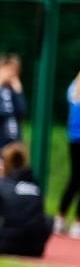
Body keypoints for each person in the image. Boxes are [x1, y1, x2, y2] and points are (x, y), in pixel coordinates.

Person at [0, 142, 50, 257]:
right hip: (35, 248)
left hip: (6, 245)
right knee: (47, 219)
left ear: (3, 165)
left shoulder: (1, 186)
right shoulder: (35, 186)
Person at [0, 53, 26, 162]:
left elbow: (22, 110)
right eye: (9, 70)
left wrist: (18, 92)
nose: (12, 74)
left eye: (15, 71)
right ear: (0, 68)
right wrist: (12, 112)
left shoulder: (13, 91)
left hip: (14, 139)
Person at [57, 71, 80, 238]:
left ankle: (60, 218)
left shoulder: (73, 87)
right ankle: (77, 223)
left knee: (75, 178)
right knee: (76, 179)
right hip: (77, 137)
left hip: (73, 138)